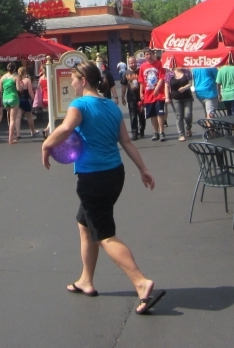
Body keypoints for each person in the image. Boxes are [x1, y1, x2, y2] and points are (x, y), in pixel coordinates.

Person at [41, 61, 165, 315]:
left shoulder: (80, 105)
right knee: (85, 224)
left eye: (74, 80)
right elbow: (126, 141)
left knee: (104, 234)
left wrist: (45, 146)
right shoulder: (111, 106)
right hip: (114, 175)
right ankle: (86, 280)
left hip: (93, 178)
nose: (72, 84)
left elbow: (65, 129)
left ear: (83, 81)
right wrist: (143, 169)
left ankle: (141, 282)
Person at [138, 49, 167, 141]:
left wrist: (157, 88)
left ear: (153, 54)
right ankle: (155, 132)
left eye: (150, 54)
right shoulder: (143, 66)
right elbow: (141, 81)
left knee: (160, 113)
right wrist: (141, 92)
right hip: (148, 94)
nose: (148, 56)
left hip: (159, 94)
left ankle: (162, 132)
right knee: (152, 114)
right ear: (144, 55)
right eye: (147, 54)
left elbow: (162, 78)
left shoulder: (159, 64)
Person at [166, 62, 194, 141]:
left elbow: (190, 83)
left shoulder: (187, 72)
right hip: (175, 98)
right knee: (179, 116)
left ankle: (188, 127)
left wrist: (184, 88)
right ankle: (181, 134)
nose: (179, 65)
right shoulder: (170, 75)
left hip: (187, 97)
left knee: (188, 115)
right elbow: (166, 86)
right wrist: (167, 97)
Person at [121, 57, 145, 141]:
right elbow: (123, 85)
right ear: (129, 63)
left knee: (141, 114)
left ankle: (142, 130)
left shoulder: (140, 71)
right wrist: (122, 96)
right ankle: (134, 132)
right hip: (131, 97)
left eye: (134, 62)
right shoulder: (125, 73)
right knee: (133, 115)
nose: (133, 64)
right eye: (131, 63)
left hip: (141, 96)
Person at [1, 62, 22, 143]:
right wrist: (21, 87)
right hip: (13, 98)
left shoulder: (2, 78)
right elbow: (18, 89)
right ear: (14, 69)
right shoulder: (16, 77)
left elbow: (0, 90)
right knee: (13, 119)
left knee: (10, 118)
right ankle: (10, 138)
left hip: (5, 98)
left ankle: (12, 136)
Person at [17, 66, 39, 138]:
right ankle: (33, 131)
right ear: (25, 72)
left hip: (18, 99)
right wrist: (34, 99)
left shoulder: (17, 80)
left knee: (18, 117)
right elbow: (30, 92)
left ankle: (18, 134)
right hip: (25, 100)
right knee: (29, 116)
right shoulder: (27, 80)